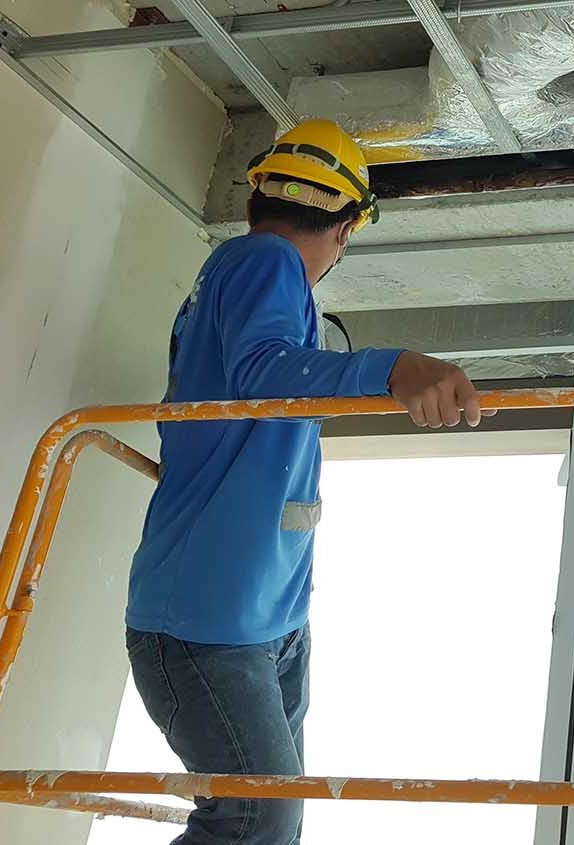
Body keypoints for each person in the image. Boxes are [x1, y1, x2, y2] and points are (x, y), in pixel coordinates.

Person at [124, 119, 487, 844]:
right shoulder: (264, 263)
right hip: (210, 620)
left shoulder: (233, 279)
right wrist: (394, 366)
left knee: (266, 826)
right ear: (346, 227)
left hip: (265, 618)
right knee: (257, 822)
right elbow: (264, 374)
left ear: (261, 192)